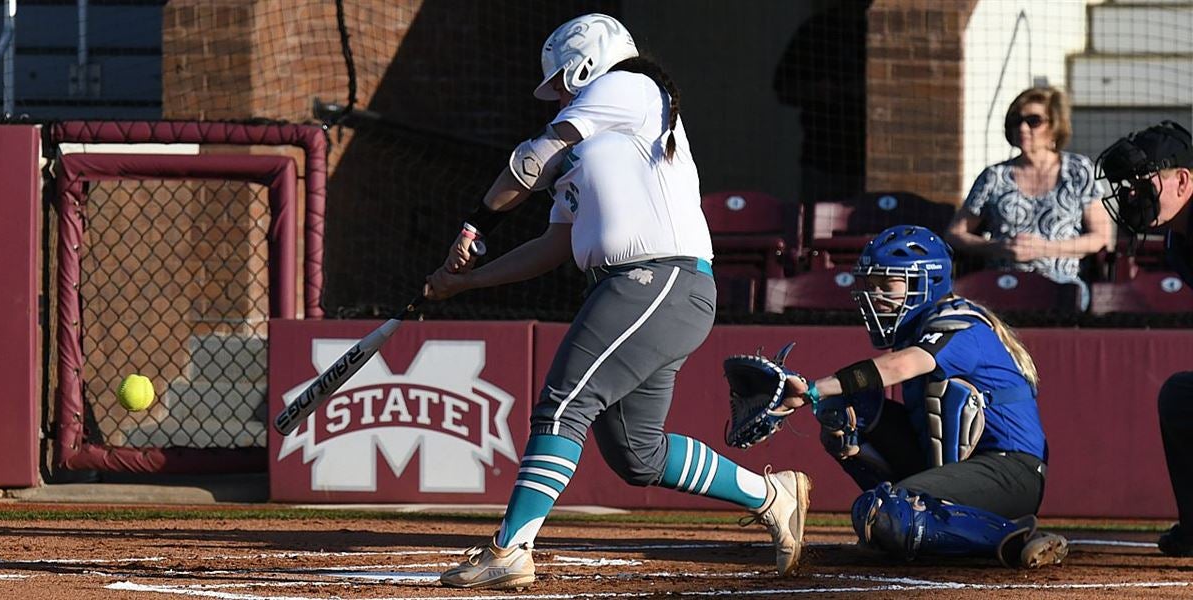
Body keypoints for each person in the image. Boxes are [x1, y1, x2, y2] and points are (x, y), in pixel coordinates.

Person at [423, 13, 810, 589]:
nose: (554, 96)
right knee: (638, 455)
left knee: (561, 406)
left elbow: (531, 158)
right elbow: (553, 244)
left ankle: (511, 548)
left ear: (584, 65)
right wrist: (465, 283)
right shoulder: (587, 151)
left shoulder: (629, 86)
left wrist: (474, 225)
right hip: (635, 291)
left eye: (559, 83)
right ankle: (771, 495)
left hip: (658, 280)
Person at [770, 225, 1067, 567]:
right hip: (959, 468)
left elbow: (901, 366)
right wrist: (811, 399)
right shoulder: (920, 328)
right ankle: (897, 515)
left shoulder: (959, 325)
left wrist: (812, 389)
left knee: (888, 513)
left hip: (1011, 472)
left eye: (888, 284)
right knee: (847, 411)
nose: (877, 296)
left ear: (927, 282)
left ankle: (1014, 539)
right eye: (872, 285)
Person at [1094, 120, 1193, 556]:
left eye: (1140, 183)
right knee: (1180, 397)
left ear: (1183, 180)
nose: (1131, 195)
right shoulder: (1177, 240)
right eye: (1127, 186)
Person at [945, 86, 1111, 310]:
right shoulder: (994, 177)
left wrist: (1045, 248)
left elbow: (1100, 236)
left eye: (1033, 120)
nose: (1022, 127)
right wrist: (998, 247)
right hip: (1003, 281)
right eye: (1016, 120)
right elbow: (955, 234)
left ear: (1054, 126)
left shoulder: (1077, 171)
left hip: (1058, 282)